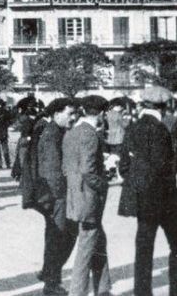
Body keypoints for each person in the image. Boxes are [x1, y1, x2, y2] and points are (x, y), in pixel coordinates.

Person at [118, 86, 177, 296]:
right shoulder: (159, 130)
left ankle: (142, 293)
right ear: (165, 106)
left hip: (141, 199)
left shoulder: (132, 127)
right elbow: (163, 168)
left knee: (143, 249)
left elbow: (124, 166)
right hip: (162, 200)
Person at [64, 96, 112, 296]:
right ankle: (77, 292)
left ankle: (103, 289)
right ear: (101, 113)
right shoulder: (91, 135)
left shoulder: (71, 132)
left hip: (76, 196)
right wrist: (104, 183)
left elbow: (68, 167)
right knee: (86, 248)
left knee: (98, 241)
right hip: (89, 198)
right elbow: (88, 170)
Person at [34, 98, 78, 296]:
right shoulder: (52, 135)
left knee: (55, 237)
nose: (74, 117)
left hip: (55, 195)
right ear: (56, 114)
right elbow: (52, 172)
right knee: (60, 237)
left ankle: (48, 272)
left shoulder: (58, 131)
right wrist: (63, 198)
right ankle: (51, 284)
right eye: (70, 113)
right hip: (57, 196)